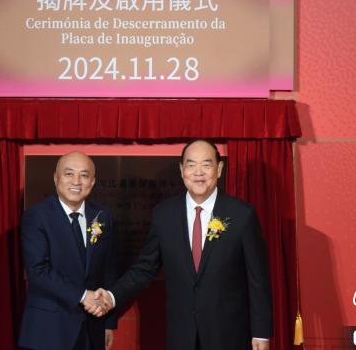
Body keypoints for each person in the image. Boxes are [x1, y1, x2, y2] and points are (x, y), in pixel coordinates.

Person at [95, 139, 272, 350]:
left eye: (206, 164)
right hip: (182, 335)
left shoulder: (241, 214)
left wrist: (261, 333)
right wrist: (112, 296)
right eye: (191, 164)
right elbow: (144, 269)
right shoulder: (164, 214)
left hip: (229, 335)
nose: (198, 172)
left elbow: (258, 279)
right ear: (181, 170)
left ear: (219, 169)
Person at [18, 151, 116, 350]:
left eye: (84, 175)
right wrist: (83, 296)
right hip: (49, 329)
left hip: (92, 326)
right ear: (56, 178)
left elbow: (108, 268)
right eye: (69, 173)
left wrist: (108, 322)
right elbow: (38, 272)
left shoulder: (101, 215)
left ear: (92, 181)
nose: (76, 181)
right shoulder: (37, 216)